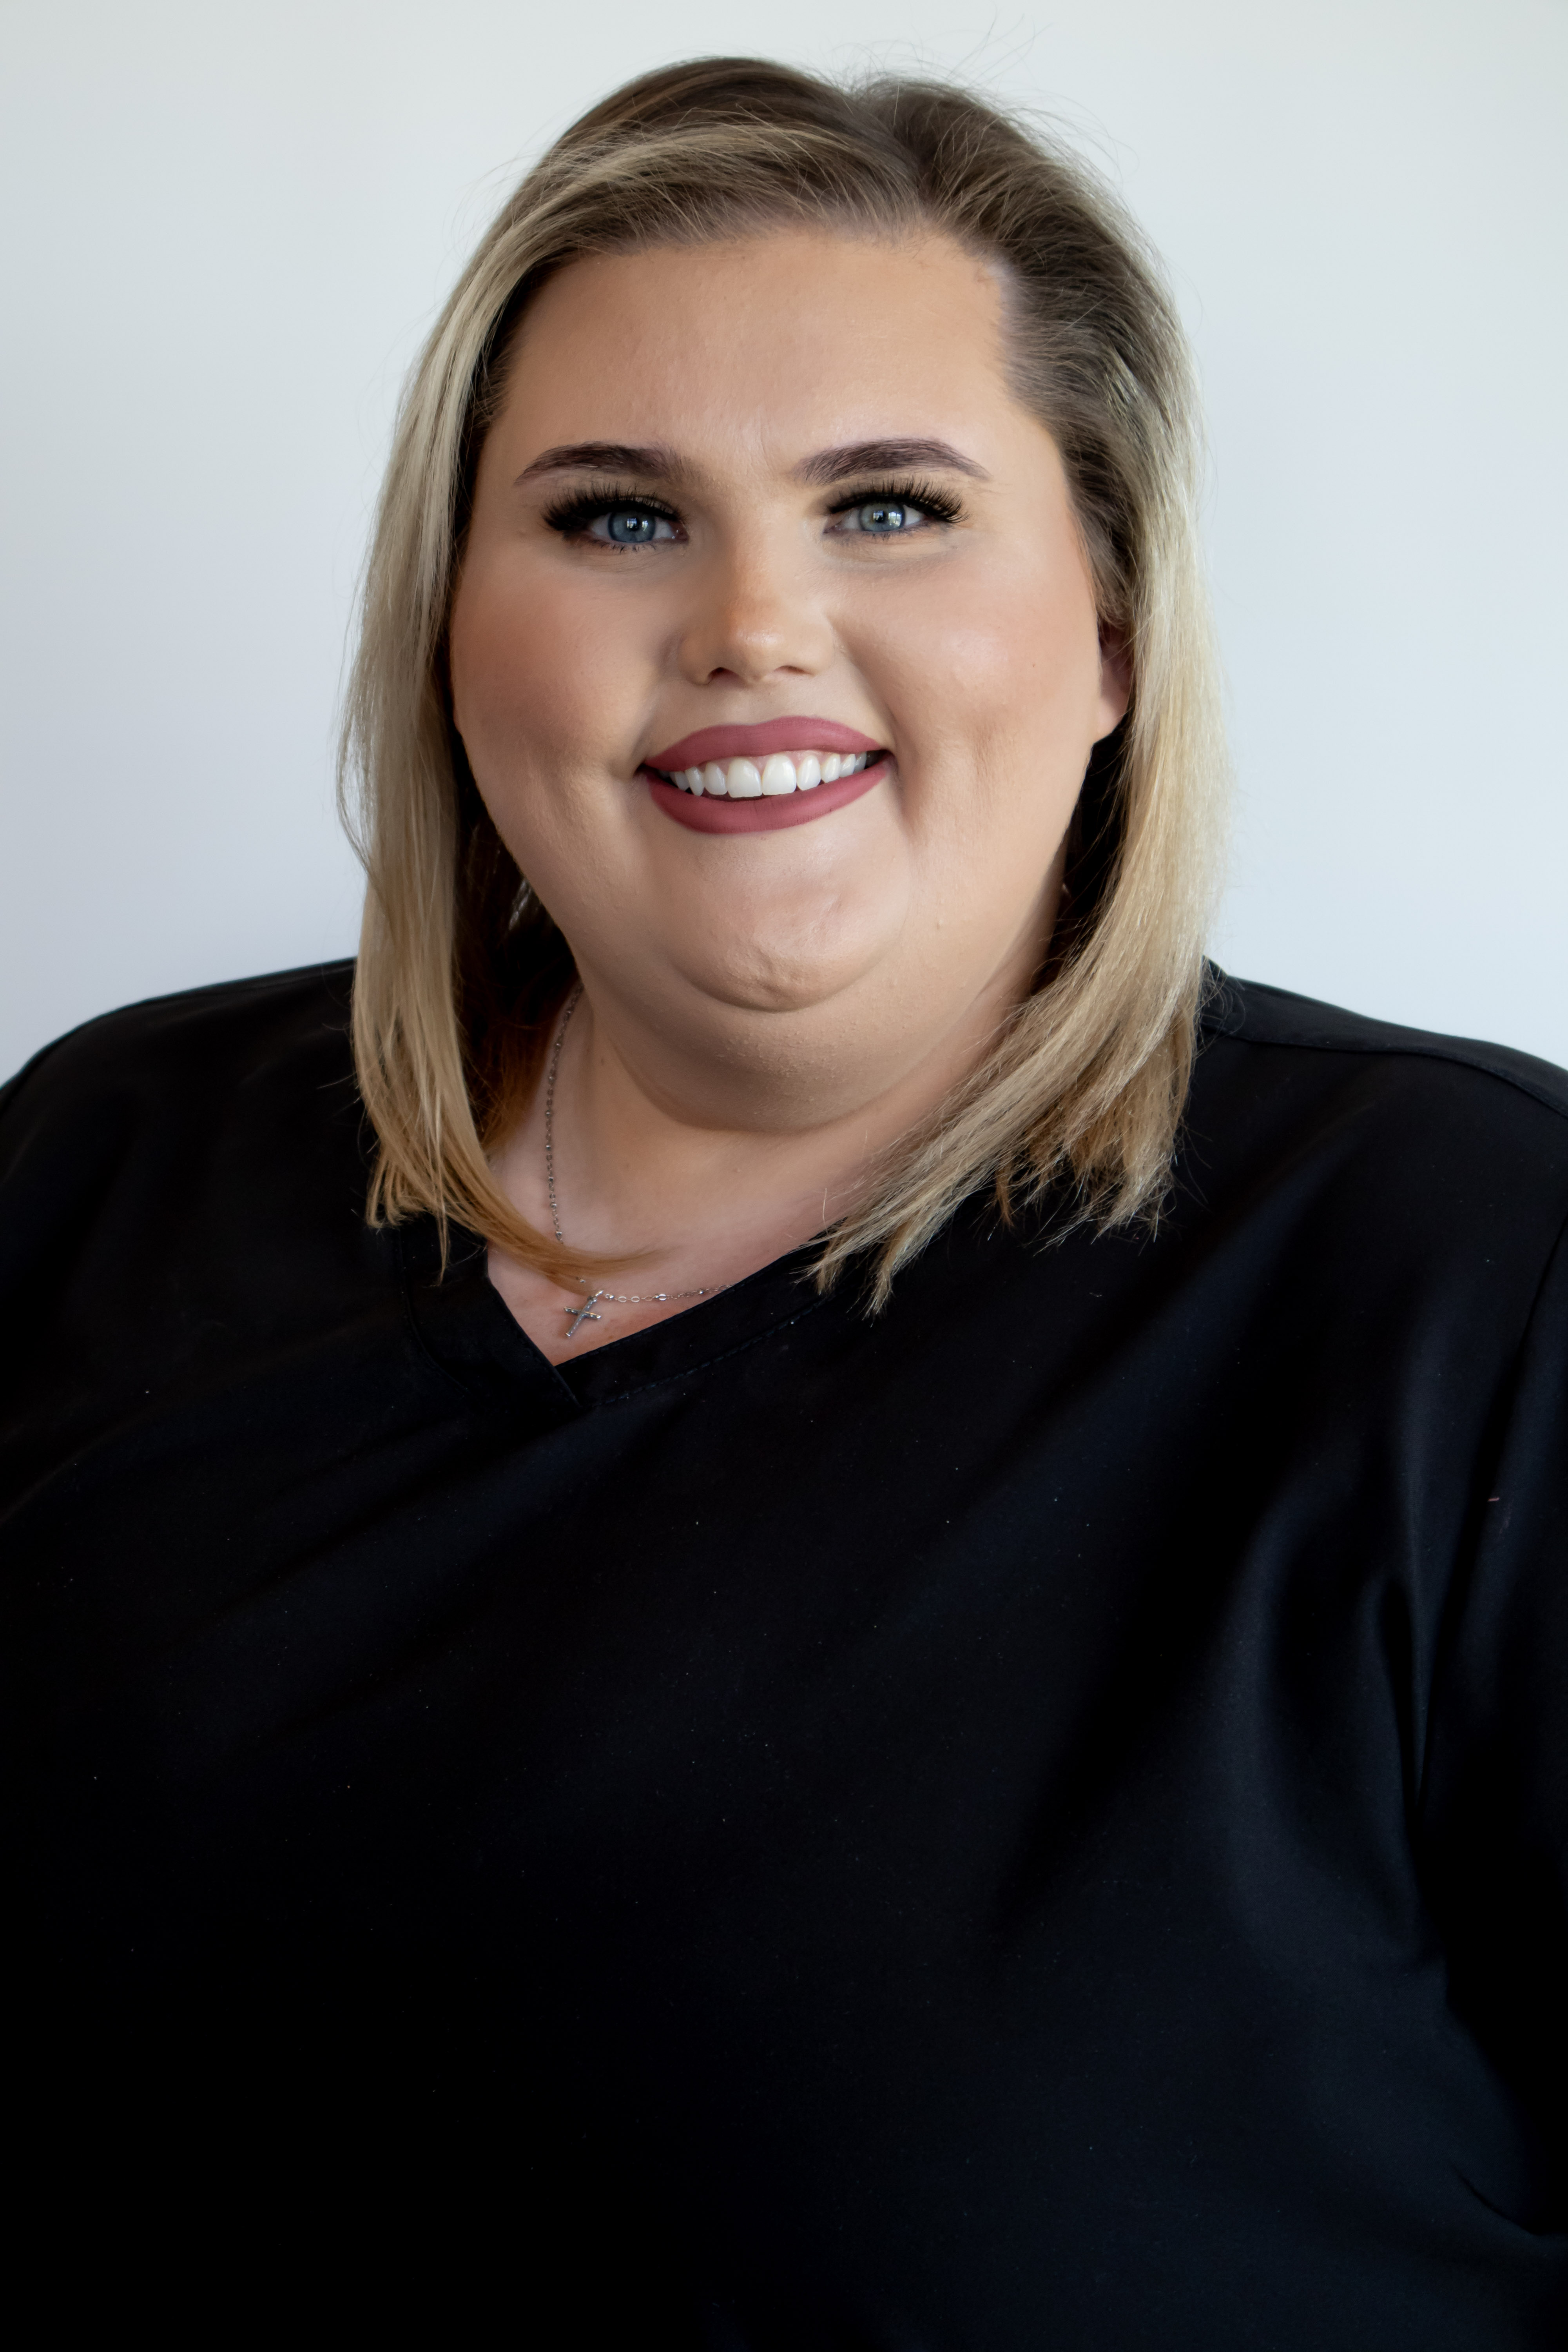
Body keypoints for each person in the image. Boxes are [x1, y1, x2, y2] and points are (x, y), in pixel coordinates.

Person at [2, 55, 1564, 2350]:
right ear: (451, 634)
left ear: (1113, 631)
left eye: (891, 509)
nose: (752, 622)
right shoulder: (100, 1160)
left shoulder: (1478, 1276)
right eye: (617, 517)